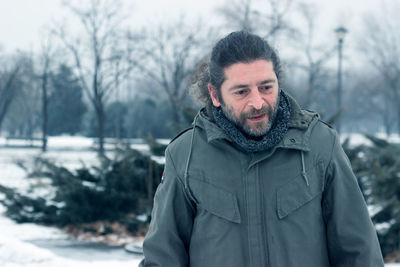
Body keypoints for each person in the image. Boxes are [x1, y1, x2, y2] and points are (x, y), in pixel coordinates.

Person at [139, 31, 384, 267]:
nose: (257, 103)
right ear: (215, 94)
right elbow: (163, 257)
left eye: (266, 87)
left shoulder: (321, 144)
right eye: (241, 91)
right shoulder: (185, 155)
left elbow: (359, 252)